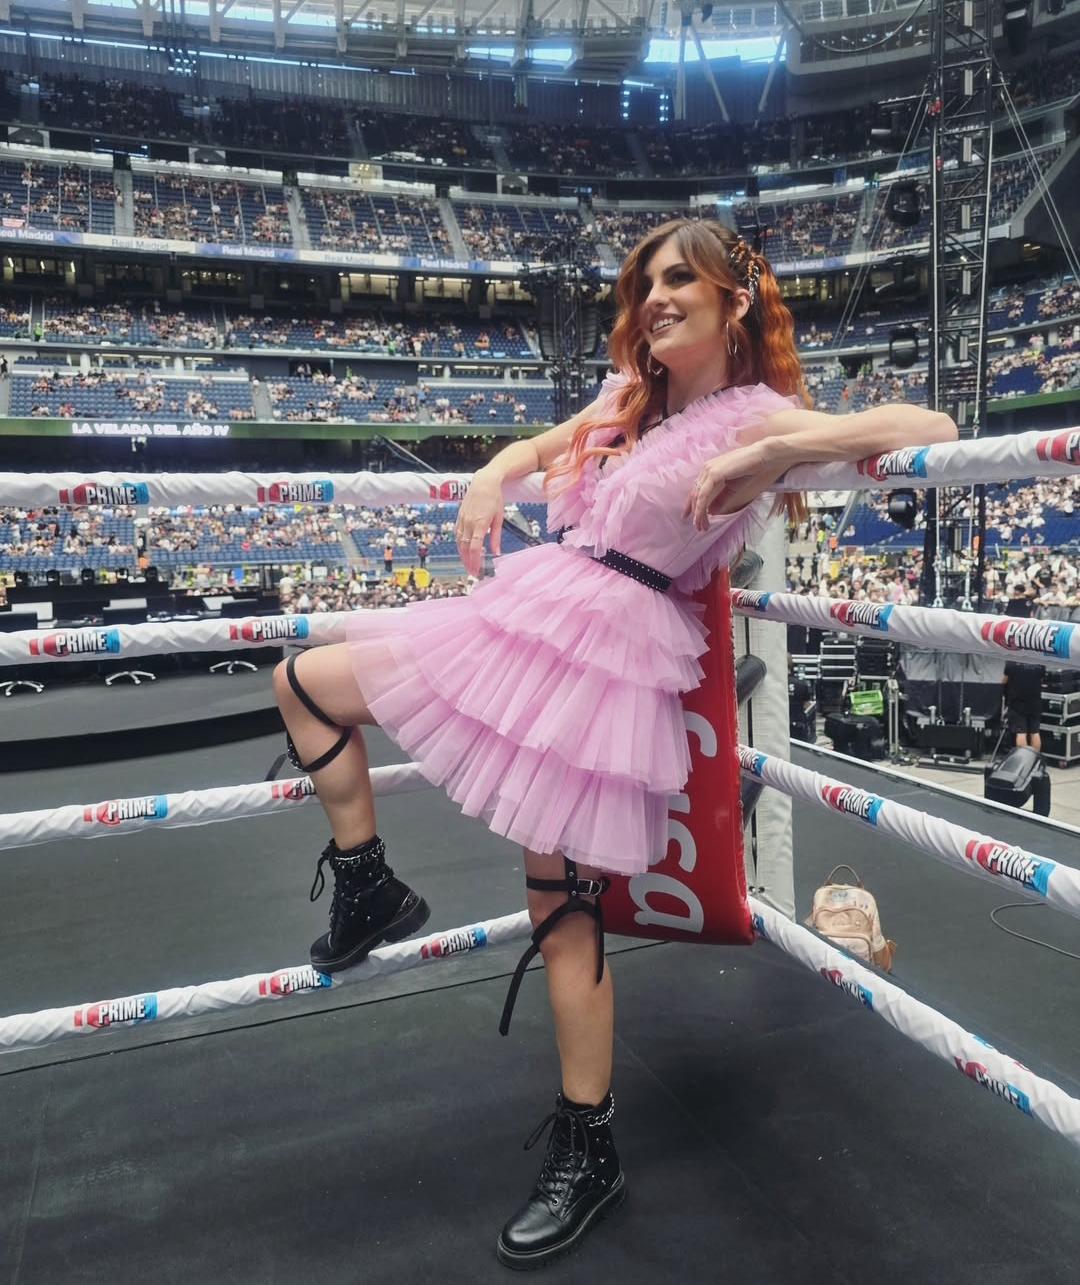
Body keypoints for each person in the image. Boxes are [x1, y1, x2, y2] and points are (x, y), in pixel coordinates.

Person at [272, 218, 957, 1269]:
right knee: (302, 681)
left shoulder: (755, 412)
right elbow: (544, 450)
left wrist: (779, 449)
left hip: (606, 652)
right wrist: (494, 468)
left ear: (734, 300)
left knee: (560, 904)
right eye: (646, 284)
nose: (655, 299)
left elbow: (933, 425)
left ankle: (587, 1146)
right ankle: (368, 883)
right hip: (532, 615)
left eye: (680, 279)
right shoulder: (628, 396)